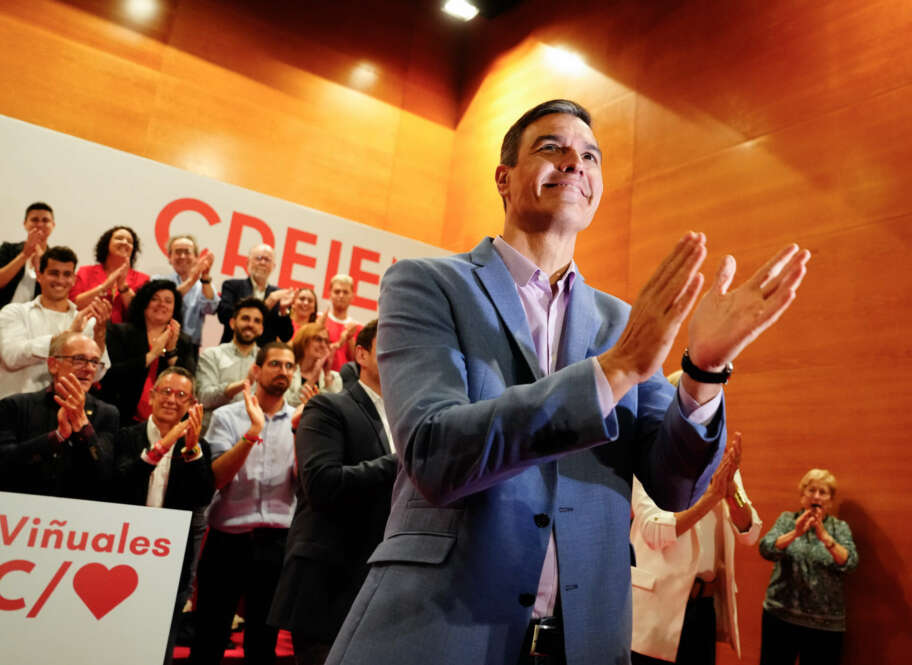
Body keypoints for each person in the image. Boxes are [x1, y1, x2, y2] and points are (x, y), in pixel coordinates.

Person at [325, 99, 810, 665]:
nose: (574, 163)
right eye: (552, 148)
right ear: (504, 178)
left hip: (587, 640)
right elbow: (434, 453)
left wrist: (703, 371)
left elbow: (673, 484)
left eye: (589, 156)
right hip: (436, 627)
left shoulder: (625, 323)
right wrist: (614, 370)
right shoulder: (426, 284)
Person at [269, 320, 397, 665]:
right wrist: (401, 462)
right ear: (361, 355)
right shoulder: (329, 407)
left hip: (383, 582)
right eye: (389, 343)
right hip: (328, 581)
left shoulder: (409, 417)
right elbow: (321, 484)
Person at [190, 343, 298, 665]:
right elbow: (217, 479)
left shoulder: (300, 420)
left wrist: (302, 435)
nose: (283, 371)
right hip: (228, 542)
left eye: (289, 366)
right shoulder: (226, 417)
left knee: (263, 645)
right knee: (209, 638)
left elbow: (305, 486)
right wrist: (252, 433)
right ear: (256, 370)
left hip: (277, 543)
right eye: (275, 363)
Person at [630, 431, 762, 664]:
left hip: (703, 607)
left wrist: (733, 496)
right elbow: (655, 530)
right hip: (658, 605)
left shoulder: (721, 464)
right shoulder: (649, 461)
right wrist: (712, 497)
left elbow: (749, 532)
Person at [113, 366, 215, 665]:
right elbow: (117, 484)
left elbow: (202, 497)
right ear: (152, 395)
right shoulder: (126, 435)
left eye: (182, 395)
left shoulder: (198, 445)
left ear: (191, 404)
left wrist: (192, 448)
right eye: (166, 392)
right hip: (121, 545)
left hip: (169, 555)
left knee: (161, 637)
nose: (172, 400)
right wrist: (161, 447)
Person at [0, 331, 118, 500]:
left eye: (94, 362)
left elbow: (105, 476)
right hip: (17, 509)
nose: (89, 368)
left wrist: (83, 425)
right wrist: (56, 437)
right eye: (79, 359)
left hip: (74, 518)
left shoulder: (107, 414)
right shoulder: (16, 406)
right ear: (53, 364)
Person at [0, 246, 111, 419]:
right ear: (39, 275)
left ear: (74, 279)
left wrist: (99, 332)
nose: (60, 280)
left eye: (67, 274)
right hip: (14, 412)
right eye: (54, 273)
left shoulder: (87, 321)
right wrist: (69, 334)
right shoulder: (14, 312)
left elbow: (96, 374)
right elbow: (12, 357)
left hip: (63, 415)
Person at [758, 469, 858, 665]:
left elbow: (851, 562)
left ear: (830, 500)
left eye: (823, 492)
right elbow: (766, 548)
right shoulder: (787, 520)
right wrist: (795, 533)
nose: (817, 496)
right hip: (781, 617)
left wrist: (825, 538)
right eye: (812, 490)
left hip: (826, 625)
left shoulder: (839, 528)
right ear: (803, 495)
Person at [97, 280, 197, 425]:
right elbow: (109, 374)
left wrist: (171, 352)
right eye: (155, 299)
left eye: (168, 301)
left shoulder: (184, 341)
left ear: (174, 309)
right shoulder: (120, 332)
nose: (162, 304)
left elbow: (188, 382)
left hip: (164, 421)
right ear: (144, 303)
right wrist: (151, 355)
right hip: (120, 414)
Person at [197, 297, 266, 417]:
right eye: (245, 318)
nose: (250, 324)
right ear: (232, 323)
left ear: (261, 329)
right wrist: (243, 384)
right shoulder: (212, 355)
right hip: (214, 431)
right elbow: (204, 398)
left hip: (252, 431)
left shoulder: (267, 362)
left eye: (257, 321)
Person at [70, 225, 150, 323]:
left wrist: (123, 287)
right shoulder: (85, 272)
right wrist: (104, 286)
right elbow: (72, 305)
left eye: (130, 241)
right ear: (107, 244)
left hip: (125, 335)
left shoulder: (142, 279)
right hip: (87, 330)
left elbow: (143, 315)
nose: (125, 242)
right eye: (119, 238)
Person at [153, 234, 219, 352]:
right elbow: (167, 299)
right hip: (157, 343)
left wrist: (205, 276)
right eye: (178, 252)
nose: (182, 256)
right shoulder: (157, 281)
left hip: (189, 347)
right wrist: (192, 280)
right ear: (170, 257)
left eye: (187, 252)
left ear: (196, 257)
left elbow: (211, 308)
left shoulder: (203, 285)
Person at [217, 243, 293, 345]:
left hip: (263, 355)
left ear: (273, 266)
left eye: (267, 260)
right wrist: (267, 304)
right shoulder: (232, 286)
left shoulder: (279, 295)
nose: (263, 262)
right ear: (248, 262)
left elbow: (285, 336)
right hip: (232, 351)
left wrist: (284, 312)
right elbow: (224, 317)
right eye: (259, 258)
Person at [0, 202, 56, 309]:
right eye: (34, 220)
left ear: (53, 225)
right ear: (25, 224)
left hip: (35, 320)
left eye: (45, 220)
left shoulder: (55, 260)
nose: (40, 224)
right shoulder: (8, 249)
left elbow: (55, 294)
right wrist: (24, 255)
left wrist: (41, 262)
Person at [287, 322, 342, 407]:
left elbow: (334, 407)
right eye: (318, 339)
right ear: (304, 341)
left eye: (326, 341)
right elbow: (289, 403)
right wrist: (313, 378)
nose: (323, 345)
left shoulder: (334, 377)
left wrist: (327, 374)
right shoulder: (287, 372)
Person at [322, 275, 360, 371]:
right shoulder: (320, 320)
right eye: (337, 291)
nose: (341, 295)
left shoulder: (358, 328)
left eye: (345, 292)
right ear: (330, 294)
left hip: (345, 381)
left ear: (352, 296)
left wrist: (350, 338)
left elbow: (357, 362)